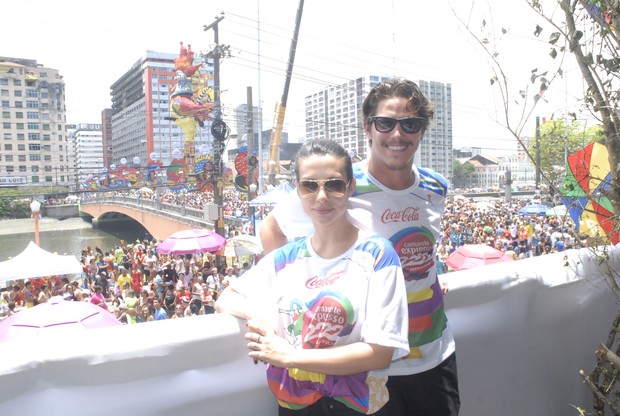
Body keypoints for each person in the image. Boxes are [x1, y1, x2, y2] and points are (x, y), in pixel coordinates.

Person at [259, 78, 460, 415]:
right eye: (385, 123)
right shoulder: (338, 185)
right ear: (368, 127)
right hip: (369, 362)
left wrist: (429, 275)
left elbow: (421, 248)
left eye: (410, 124)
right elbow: (272, 230)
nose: (398, 135)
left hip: (433, 351)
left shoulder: (435, 187)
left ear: (421, 131)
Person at [216, 139, 410, 415]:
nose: (321, 196)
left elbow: (380, 353)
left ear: (350, 187)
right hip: (294, 405)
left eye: (334, 184)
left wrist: (289, 356)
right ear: (298, 190)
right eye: (310, 185)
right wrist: (259, 318)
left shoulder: (376, 254)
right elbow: (227, 298)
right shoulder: (286, 258)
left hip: (355, 407)